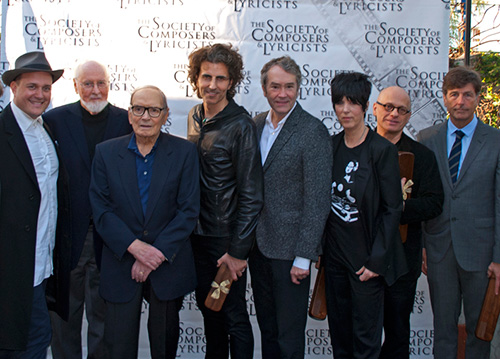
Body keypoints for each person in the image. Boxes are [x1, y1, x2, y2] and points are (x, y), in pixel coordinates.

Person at [89, 86, 200, 359]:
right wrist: (136, 248)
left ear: (165, 116)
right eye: (138, 109)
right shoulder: (105, 153)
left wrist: (156, 253)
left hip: (167, 265)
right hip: (121, 263)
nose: (145, 116)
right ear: (129, 114)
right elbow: (101, 210)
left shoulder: (185, 152)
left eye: (154, 110)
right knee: (119, 347)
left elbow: (188, 210)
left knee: (164, 348)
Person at [43, 60, 131, 359]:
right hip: (68, 239)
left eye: (101, 83)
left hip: (112, 240)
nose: (95, 90)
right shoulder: (54, 119)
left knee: (104, 321)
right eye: (88, 84)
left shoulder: (127, 120)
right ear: (75, 86)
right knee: (63, 318)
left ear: (110, 84)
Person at [249, 56, 332, 359]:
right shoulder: (256, 124)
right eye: (275, 86)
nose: (282, 93)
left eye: (289, 86)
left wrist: (304, 255)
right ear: (264, 88)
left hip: (291, 254)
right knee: (268, 331)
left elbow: (318, 198)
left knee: (289, 337)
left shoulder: (312, 131)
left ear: (298, 88)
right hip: (258, 248)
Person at [186, 43, 263, 359]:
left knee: (233, 318)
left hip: (225, 242)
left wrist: (237, 251)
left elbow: (252, 194)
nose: (212, 85)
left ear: (231, 82)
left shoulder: (241, 125)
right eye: (206, 77)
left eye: (220, 79)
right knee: (210, 312)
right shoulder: (195, 115)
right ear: (196, 78)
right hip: (196, 236)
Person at [417, 66, 500, 359]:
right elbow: (422, 198)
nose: (461, 101)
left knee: (480, 330)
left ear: (478, 97)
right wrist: (424, 245)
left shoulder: (495, 141)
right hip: (439, 249)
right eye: (454, 95)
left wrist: (498, 258)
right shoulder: (427, 138)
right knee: (443, 329)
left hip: (481, 252)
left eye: (467, 95)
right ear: (445, 98)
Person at [324, 72, 407, 359]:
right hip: (335, 262)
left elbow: (392, 208)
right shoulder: (331, 147)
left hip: (366, 265)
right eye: (339, 102)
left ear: (365, 105)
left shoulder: (381, 150)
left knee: (366, 342)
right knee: (340, 339)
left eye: (353, 102)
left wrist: (376, 262)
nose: (345, 109)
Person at [0, 51, 70, 358]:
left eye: (46, 88)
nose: (39, 95)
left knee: (37, 343)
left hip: (42, 269)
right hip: (10, 272)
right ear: (13, 88)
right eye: (32, 87)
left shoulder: (46, 130)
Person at [373, 86, 443, 359]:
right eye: (388, 106)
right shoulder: (358, 147)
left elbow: (434, 203)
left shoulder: (421, 156)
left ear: (409, 116)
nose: (394, 114)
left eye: (401, 110)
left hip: (402, 261)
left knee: (398, 333)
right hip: (360, 256)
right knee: (360, 332)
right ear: (374, 108)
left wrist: (399, 207)